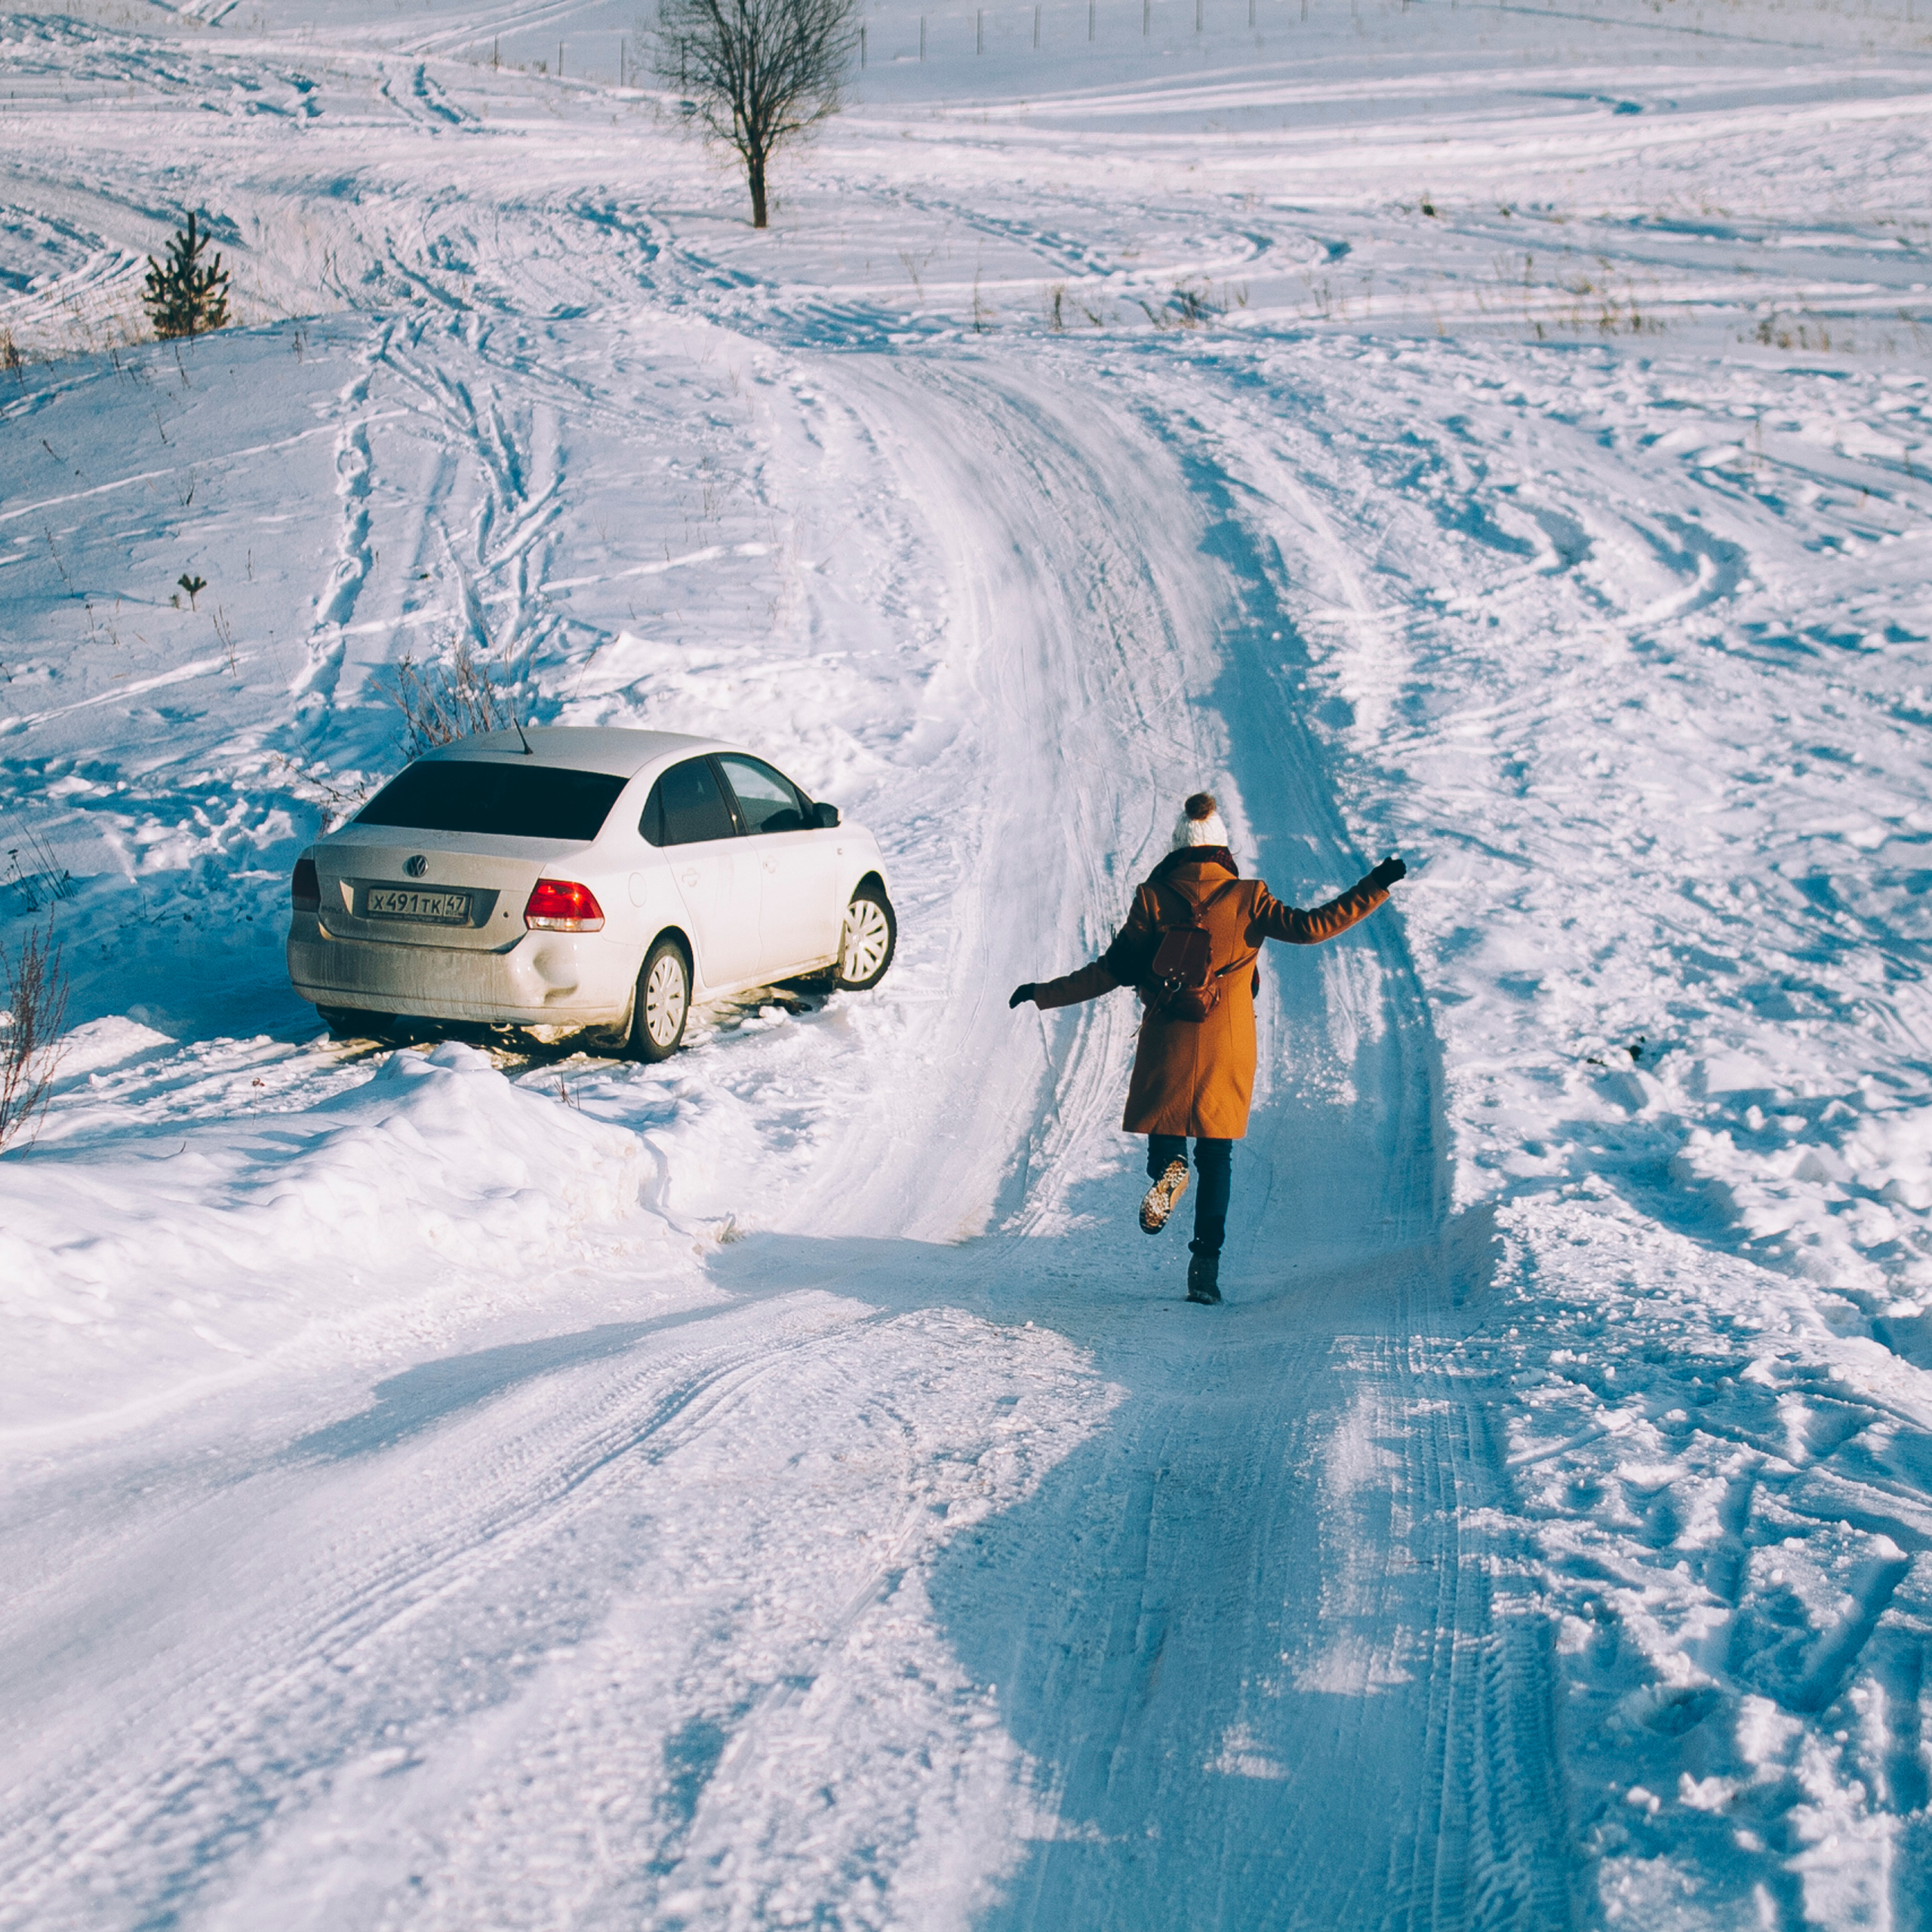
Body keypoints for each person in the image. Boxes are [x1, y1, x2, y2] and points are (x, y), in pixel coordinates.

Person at [1010, 792, 1406, 1305]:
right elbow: (1313, 927)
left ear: (1178, 848)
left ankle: (1169, 1172)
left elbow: (1112, 970)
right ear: (1222, 850)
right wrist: (1375, 886)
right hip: (1228, 1046)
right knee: (1218, 1158)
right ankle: (1204, 1270)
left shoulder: (1153, 897)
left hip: (1168, 1039)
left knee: (1168, 1140)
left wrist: (1044, 993)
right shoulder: (1249, 896)